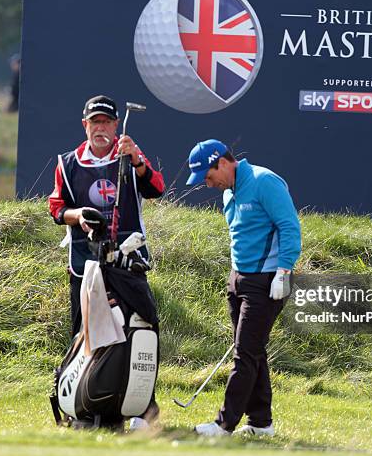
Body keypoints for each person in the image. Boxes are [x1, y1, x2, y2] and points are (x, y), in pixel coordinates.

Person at [48, 94, 165, 429]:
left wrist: (138, 161)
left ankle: (143, 408)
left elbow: (155, 188)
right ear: (85, 125)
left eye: (106, 122)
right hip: (85, 263)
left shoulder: (128, 153)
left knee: (141, 327)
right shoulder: (68, 163)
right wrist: (77, 216)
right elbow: (57, 208)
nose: (100, 128)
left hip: (128, 260)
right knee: (82, 333)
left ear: (116, 125)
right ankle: (79, 404)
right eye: (94, 122)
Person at [186, 139, 301, 437]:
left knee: (245, 354)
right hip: (238, 279)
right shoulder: (228, 193)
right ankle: (261, 423)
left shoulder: (265, 182)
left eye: (208, 176)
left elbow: (289, 227)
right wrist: (234, 278)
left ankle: (224, 424)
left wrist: (283, 273)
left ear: (222, 163)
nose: (207, 184)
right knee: (253, 352)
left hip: (267, 281)